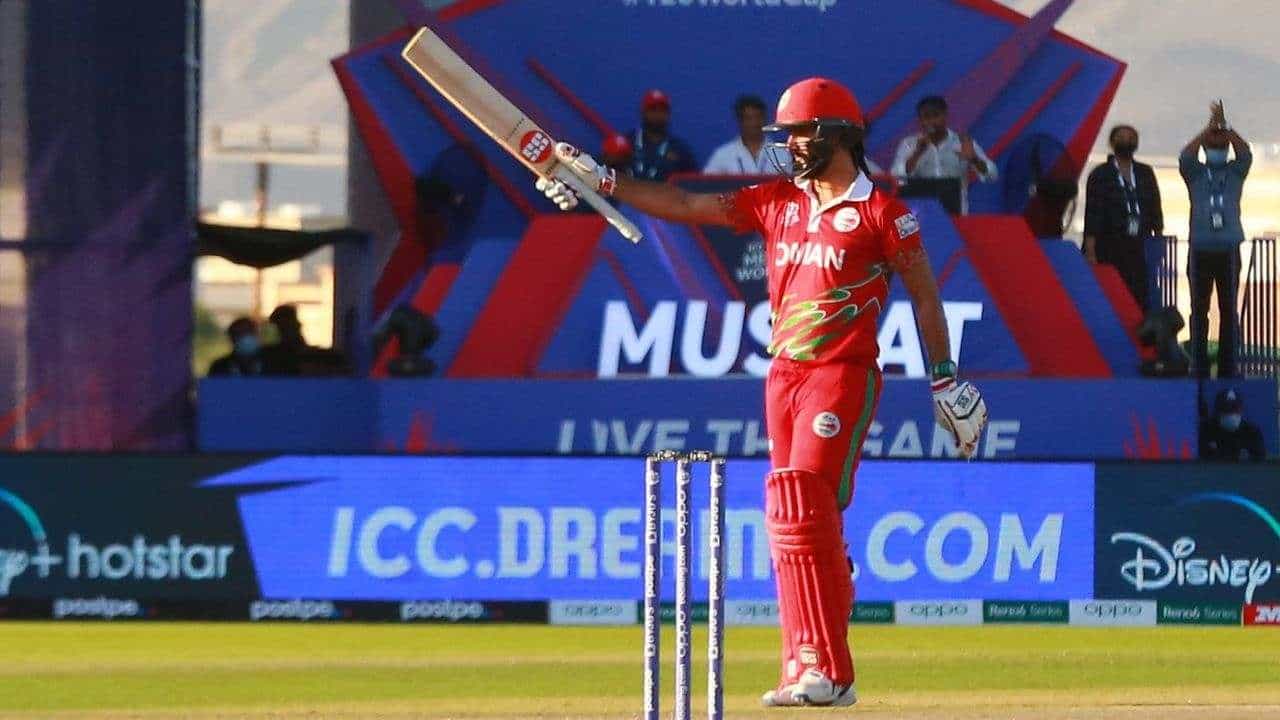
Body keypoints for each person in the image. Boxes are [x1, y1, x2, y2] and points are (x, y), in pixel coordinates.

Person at [537, 77, 987, 708]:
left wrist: (944, 377)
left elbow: (926, 298)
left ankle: (827, 670)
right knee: (789, 514)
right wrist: (604, 181)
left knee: (802, 500)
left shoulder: (885, 215)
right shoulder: (778, 201)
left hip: (841, 373)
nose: (790, 145)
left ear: (836, 135)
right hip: (784, 376)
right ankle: (808, 657)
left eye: (800, 133)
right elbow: (684, 204)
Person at [1180, 101, 1252, 378]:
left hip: (1229, 248)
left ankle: (1227, 367)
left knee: (1228, 309)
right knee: (1198, 310)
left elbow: (1245, 153)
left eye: (1222, 147)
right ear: (1206, 150)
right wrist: (1208, 130)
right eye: (1214, 146)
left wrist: (1226, 127)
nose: (1218, 149)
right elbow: (1186, 156)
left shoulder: (1235, 172)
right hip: (1200, 248)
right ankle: (1198, 366)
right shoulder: (1196, 173)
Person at [1082, 124, 1163, 310]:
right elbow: (1092, 213)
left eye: (1131, 138)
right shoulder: (1100, 174)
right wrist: (1090, 251)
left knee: (1140, 297)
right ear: (1112, 142)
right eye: (1122, 137)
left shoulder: (1145, 172)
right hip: (1109, 246)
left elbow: (1155, 209)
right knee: (1111, 297)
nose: (1127, 141)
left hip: (1140, 245)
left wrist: (1158, 243)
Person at [891, 96, 997, 186]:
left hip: (955, 204)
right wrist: (917, 154)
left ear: (945, 115)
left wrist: (975, 160)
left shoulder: (962, 142)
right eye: (926, 117)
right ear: (920, 120)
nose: (931, 121)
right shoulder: (909, 144)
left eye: (936, 115)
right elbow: (895, 179)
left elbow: (992, 176)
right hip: (920, 204)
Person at [703, 95, 792, 175]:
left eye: (758, 117)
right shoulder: (723, 155)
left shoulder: (782, 154)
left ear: (765, 119)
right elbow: (707, 185)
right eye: (749, 118)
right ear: (740, 121)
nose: (754, 123)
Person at [629, 89, 697, 181]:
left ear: (669, 114)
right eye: (653, 109)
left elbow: (693, 185)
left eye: (662, 110)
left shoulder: (681, 151)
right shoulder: (627, 144)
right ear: (642, 113)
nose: (657, 115)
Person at [1200, 388, 1265, 461]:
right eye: (1226, 409)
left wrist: (1249, 459)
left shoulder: (1252, 432)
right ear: (1217, 412)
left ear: (1241, 410)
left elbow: (1261, 459)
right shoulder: (1208, 431)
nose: (1231, 413)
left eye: (1235, 408)